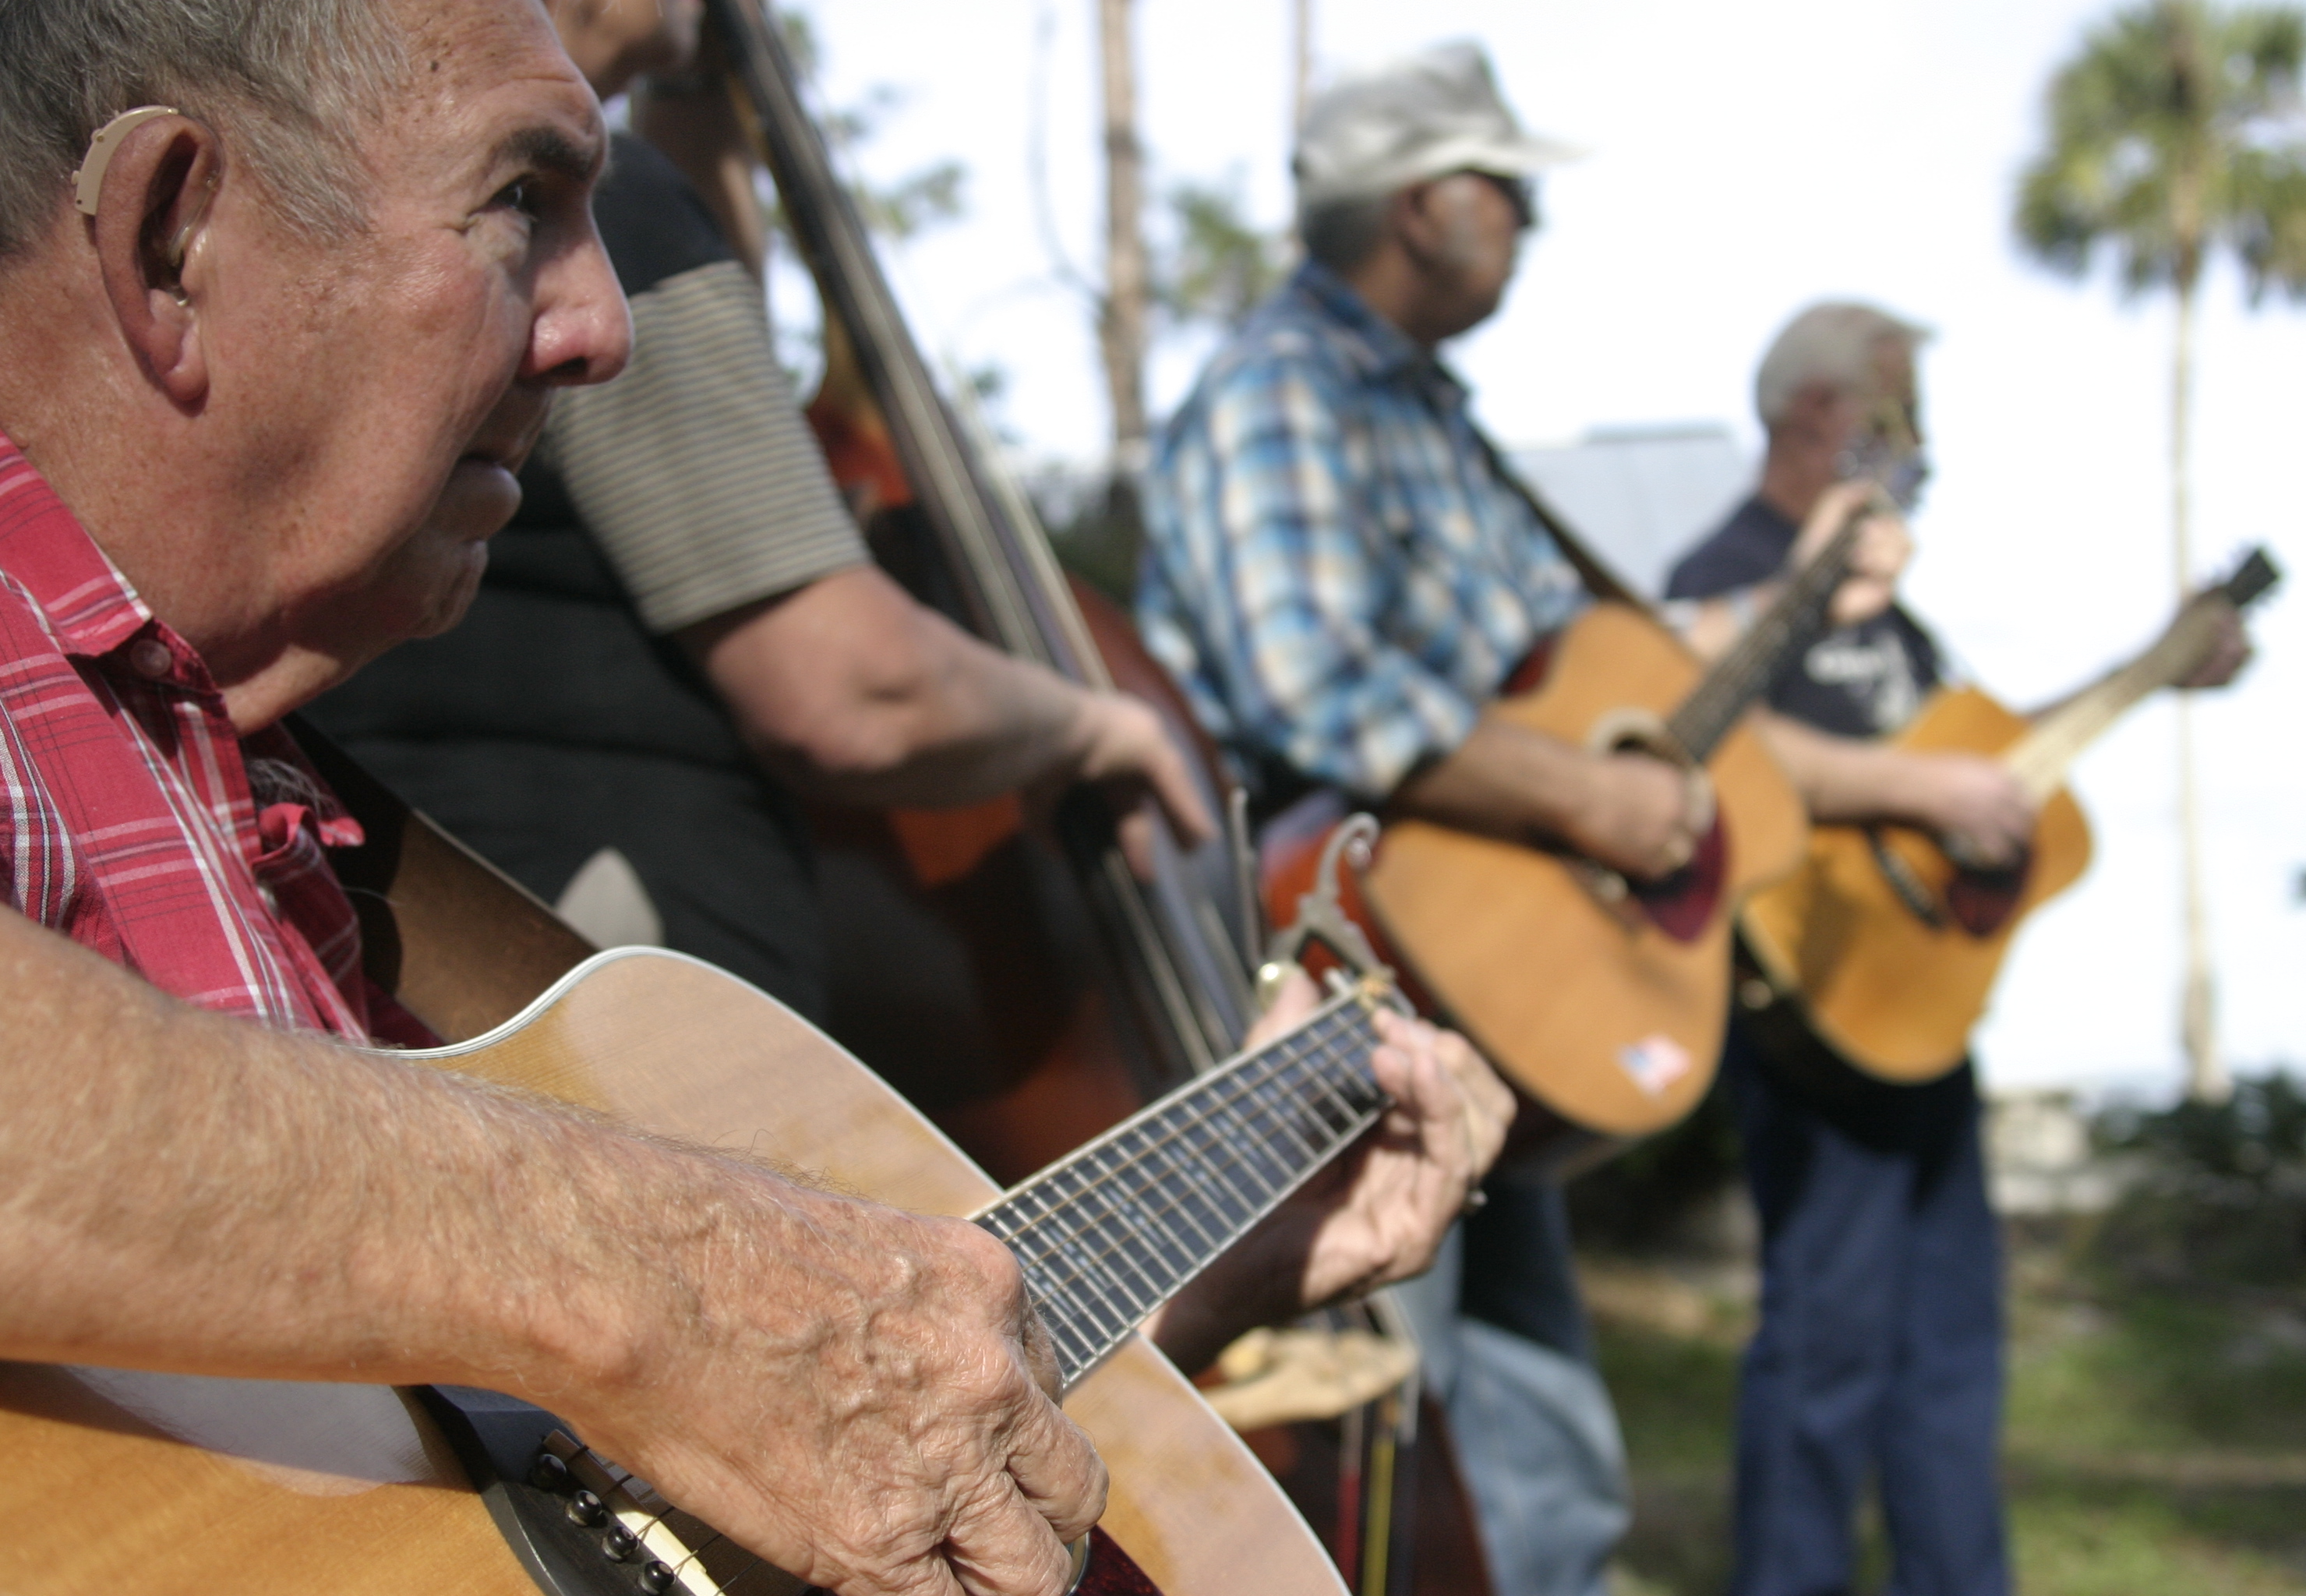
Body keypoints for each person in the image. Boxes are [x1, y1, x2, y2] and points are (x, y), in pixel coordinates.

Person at [0, 3, 1506, 1592]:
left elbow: (472, 1501)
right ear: (175, 241)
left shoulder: (280, 810)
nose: (601, 326)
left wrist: (1113, 1290)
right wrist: (664, 1282)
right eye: (520, 200)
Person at [1136, 42, 1908, 1596]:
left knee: (1549, 1475)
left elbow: (1593, 670)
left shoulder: (1437, 419)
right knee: (1364, 1461)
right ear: (1424, 208)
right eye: (1508, 193)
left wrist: (1795, 592)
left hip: (1493, 1003)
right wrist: (1598, 798)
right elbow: (1320, 692)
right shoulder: (1282, 390)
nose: (1529, 228)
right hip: (1321, 988)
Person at [309, 0, 1211, 1040]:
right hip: (625, 1008)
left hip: (430, 954)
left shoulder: (405, 175)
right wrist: (1090, 724)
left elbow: (720, 293)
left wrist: (699, 80)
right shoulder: (606, 216)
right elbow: (850, 690)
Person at [1664, 301, 2250, 1596]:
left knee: (1950, 1360)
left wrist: (2150, 669)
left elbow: (1978, 762)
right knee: (1825, 1356)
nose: (1919, 446)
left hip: (1923, 1019)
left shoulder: (1895, 618)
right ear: (1822, 415)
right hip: (1819, 1015)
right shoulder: (1734, 576)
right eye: (1898, 417)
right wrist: (1915, 796)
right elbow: (1701, 745)